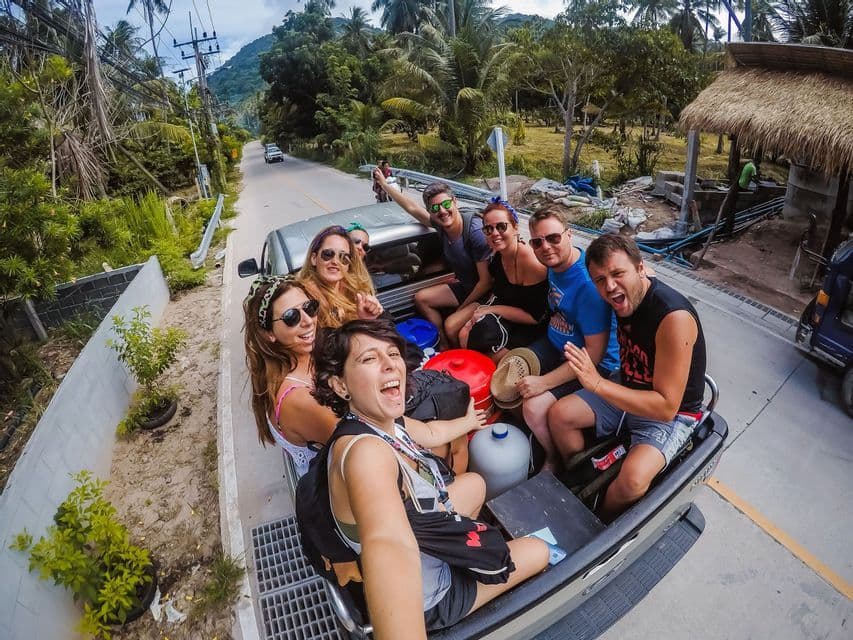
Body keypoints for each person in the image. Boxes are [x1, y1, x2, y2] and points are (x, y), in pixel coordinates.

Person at [312, 319, 549, 638]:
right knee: (539, 550)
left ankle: (459, 556)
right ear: (340, 385)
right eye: (369, 359)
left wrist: (467, 421)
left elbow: (433, 431)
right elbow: (389, 544)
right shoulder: (366, 453)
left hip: (428, 530)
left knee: (475, 484)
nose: (389, 365)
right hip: (430, 596)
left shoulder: (385, 422)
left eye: (393, 354)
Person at [548, 234, 707, 522]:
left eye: (618, 274)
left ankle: (600, 521)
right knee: (560, 415)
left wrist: (597, 383)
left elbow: (666, 406)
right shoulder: (621, 296)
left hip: (668, 414)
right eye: (600, 279)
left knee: (632, 480)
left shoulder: (673, 318)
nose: (610, 286)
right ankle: (585, 477)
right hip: (629, 385)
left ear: (640, 268)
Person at [517, 206, 620, 472]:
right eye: (537, 242)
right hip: (557, 343)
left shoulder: (587, 286)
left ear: (569, 235)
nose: (546, 247)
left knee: (534, 406)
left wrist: (544, 383)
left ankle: (556, 459)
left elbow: (594, 355)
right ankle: (537, 437)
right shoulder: (554, 266)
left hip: (591, 363)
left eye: (553, 238)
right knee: (512, 366)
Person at [373, 169, 492, 350]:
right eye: (435, 208)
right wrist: (384, 184)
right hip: (466, 287)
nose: (442, 211)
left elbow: (486, 282)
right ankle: (443, 345)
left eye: (446, 204)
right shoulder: (441, 224)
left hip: (486, 294)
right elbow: (412, 208)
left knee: (451, 324)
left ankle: (459, 355)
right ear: (431, 211)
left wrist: (462, 308)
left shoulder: (474, 232)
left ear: (455, 202)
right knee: (422, 298)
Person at [243, 275, 338, 477]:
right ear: (270, 333)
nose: (307, 321)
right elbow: (366, 442)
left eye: (309, 307)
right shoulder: (298, 399)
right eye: (291, 317)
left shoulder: (301, 361)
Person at [459, 199, 548, 363]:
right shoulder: (497, 256)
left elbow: (535, 317)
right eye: (488, 229)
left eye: (501, 226)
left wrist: (489, 310)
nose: (494, 233)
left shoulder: (531, 263)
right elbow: (494, 287)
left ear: (515, 228)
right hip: (508, 311)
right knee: (464, 334)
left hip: (531, 322)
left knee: (493, 358)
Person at [298, 225, 384, 328]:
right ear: (314, 258)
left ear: (349, 264)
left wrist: (372, 318)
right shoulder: (303, 298)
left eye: (343, 257)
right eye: (328, 254)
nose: (335, 261)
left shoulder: (358, 290)